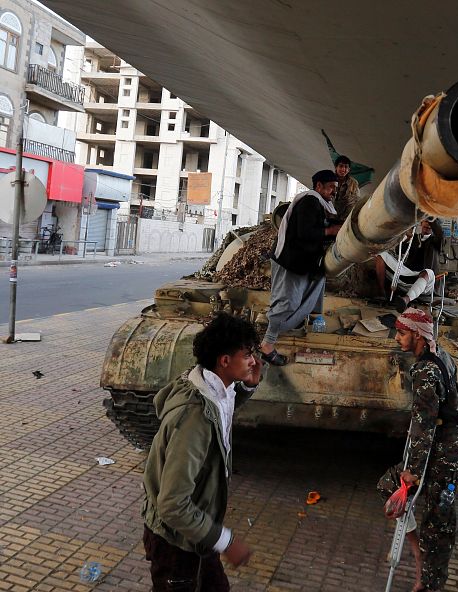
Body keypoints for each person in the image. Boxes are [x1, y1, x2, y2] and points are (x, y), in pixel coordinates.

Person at [142, 313, 264, 591]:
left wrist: (247, 386)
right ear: (224, 361)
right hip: (176, 541)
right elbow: (173, 504)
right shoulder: (194, 419)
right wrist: (227, 542)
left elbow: (222, 411)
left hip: (197, 531)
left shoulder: (209, 385)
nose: (253, 361)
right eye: (247, 355)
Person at [378, 308, 458, 592]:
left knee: (438, 524)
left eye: (402, 333)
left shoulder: (426, 371)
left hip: (446, 453)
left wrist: (413, 472)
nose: (397, 338)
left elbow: (425, 424)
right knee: (388, 488)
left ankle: (430, 584)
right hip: (446, 443)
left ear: (418, 335)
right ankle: (419, 556)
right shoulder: (438, 353)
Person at [260, 170, 342, 365]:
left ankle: (286, 330)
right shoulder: (309, 201)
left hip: (301, 262)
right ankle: (267, 344)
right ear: (319, 186)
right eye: (330, 187)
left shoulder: (320, 205)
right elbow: (305, 232)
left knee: (304, 295)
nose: (333, 191)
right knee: (287, 303)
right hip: (290, 262)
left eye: (335, 188)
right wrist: (330, 230)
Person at [375, 218, 444, 312]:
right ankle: (381, 292)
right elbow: (399, 251)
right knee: (381, 255)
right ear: (421, 223)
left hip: (426, 279)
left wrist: (431, 217)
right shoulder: (414, 238)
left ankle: (405, 299)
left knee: (428, 272)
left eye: (431, 224)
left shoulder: (436, 241)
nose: (428, 225)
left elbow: (440, 233)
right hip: (409, 274)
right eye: (426, 222)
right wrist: (407, 238)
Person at [332, 154, 360, 221]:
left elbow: (355, 201)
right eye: (341, 166)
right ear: (336, 167)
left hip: (344, 219)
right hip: (328, 216)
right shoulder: (329, 179)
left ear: (349, 169)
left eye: (346, 167)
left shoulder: (353, 183)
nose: (343, 169)